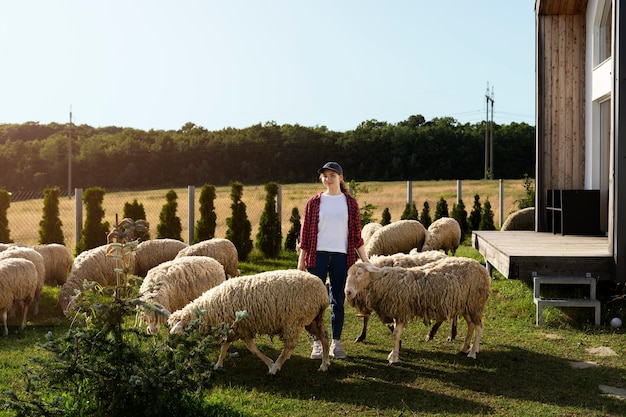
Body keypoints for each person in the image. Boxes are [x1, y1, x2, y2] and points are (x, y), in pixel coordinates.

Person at [297, 161, 370, 359]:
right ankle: (317, 342)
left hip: (342, 258)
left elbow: (356, 236)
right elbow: (305, 236)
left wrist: (365, 261)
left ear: (340, 177)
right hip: (316, 256)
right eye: (324, 176)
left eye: (332, 175)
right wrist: (301, 261)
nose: (327, 179)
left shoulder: (350, 203)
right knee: (314, 301)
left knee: (338, 300)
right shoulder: (314, 202)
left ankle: (336, 343)